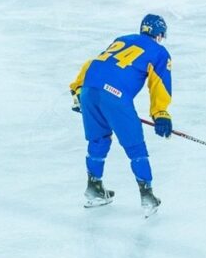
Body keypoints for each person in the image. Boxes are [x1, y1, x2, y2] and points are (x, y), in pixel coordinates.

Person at [69, 14, 172, 216]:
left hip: (90, 89)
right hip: (115, 95)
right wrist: (160, 113)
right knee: (135, 146)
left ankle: (94, 189)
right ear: (159, 35)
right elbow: (159, 83)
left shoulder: (122, 39)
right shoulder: (159, 52)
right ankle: (147, 196)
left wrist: (78, 90)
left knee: (98, 140)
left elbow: (95, 62)